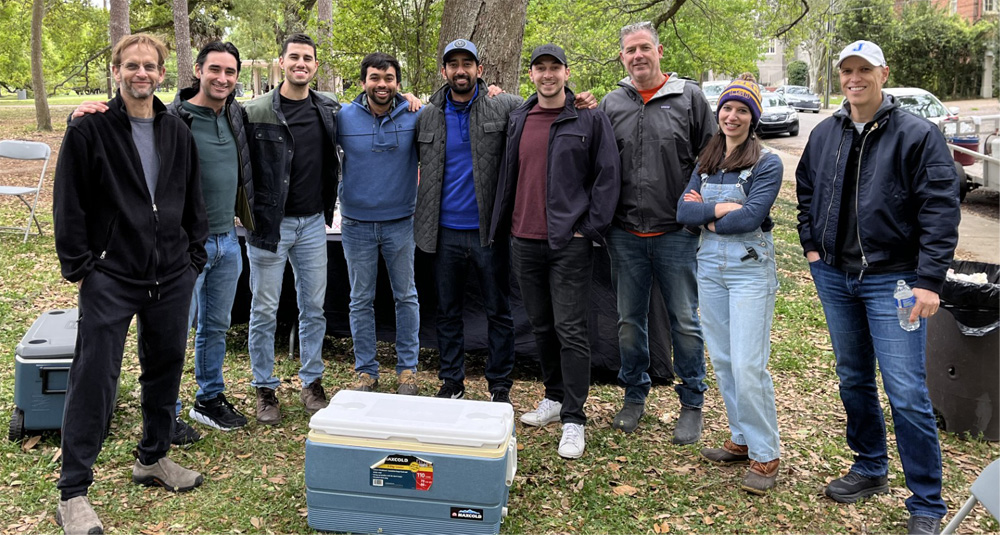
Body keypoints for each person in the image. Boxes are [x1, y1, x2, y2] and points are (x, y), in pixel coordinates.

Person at [796, 40, 959, 535]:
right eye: (846, 70)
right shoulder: (826, 132)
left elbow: (940, 207)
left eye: (863, 69)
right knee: (852, 377)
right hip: (835, 276)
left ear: (883, 73)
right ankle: (870, 466)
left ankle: (927, 504)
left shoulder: (918, 134)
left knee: (906, 390)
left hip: (897, 282)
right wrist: (811, 247)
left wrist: (929, 281)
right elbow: (805, 189)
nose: (854, 78)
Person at [52, 33, 208, 533]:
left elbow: (192, 196)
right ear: (116, 70)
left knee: (165, 368)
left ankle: (152, 457)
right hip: (111, 277)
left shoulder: (176, 129)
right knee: (95, 378)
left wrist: (193, 257)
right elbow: (69, 203)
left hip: (171, 274)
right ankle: (73, 491)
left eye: (150, 66)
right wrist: (82, 267)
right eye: (132, 65)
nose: (141, 73)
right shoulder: (89, 129)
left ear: (163, 73)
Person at [68, 41, 256, 442]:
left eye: (230, 72)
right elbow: (131, 116)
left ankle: (209, 398)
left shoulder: (239, 115)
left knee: (214, 329)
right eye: (215, 70)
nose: (222, 78)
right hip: (170, 252)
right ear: (198, 72)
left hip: (224, 241)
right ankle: (163, 418)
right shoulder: (176, 117)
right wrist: (80, 112)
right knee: (168, 338)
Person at [490, 44, 620, 459]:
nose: (547, 75)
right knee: (541, 326)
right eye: (540, 68)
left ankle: (574, 419)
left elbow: (607, 177)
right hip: (523, 240)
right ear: (531, 75)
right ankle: (553, 396)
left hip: (568, 243)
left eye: (554, 68)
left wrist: (589, 228)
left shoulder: (588, 118)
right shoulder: (519, 118)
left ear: (566, 73)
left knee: (571, 331)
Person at [599, 21, 716, 441]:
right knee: (629, 321)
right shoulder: (612, 104)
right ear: (622, 57)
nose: (638, 56)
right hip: (625, 233)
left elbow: (712, 157)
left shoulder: (689, 98)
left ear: (659, 50)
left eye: (644, 48)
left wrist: (698, 210)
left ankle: (692, 401)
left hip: (676, 234)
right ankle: (634, 394)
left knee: (684, 320)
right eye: (630, 50)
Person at [676, 76, 782, 494]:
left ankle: (766, 452)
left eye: (742, 110)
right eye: (727, 109)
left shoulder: (768, 162)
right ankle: (741, 439)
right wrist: (720, 210)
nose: (732, 116)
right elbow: (682, 214)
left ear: (752, 118)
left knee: (748, 365)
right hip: (710, 270)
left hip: (749, 271)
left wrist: (707, 211)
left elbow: (751, 217)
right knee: (721, 358)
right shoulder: (707, 158)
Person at [414, 39, 522, 402]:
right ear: (443, 71)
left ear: (479, 69)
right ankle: (452, 383)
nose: (461, 70)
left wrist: (576, 99)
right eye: (453, 64)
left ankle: (500, 386)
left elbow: (544, 108)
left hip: (488, 233)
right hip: (442, 234)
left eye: (467, 63)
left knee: (499, 311)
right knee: (447, 312)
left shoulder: (502, 106)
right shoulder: (426, 114)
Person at [245, 33, 339, 424]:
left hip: (313, 223)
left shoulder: (328, 109)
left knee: (313, 307)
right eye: (294, 57)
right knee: (264, 308)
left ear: (315, 66)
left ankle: (311, 380)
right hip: (270, 225)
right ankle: (264, 388)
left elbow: (377, 105)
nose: (301, 64)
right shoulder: (254, 111)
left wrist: (411, 100)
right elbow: (195, 111)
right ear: (281, 62)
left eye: (308, 58)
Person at [338, 52, 422, 395]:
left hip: (401, 222)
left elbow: (454, 107)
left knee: (406, 297)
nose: (382, 84)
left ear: (398, 84)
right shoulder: (342, 117)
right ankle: (366, 372)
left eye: (388, 78)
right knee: (360, 299)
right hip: (356, 224)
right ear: (363, 83)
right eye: (375, 78)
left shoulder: (416, 115)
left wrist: (493, 92)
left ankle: (407, 371)